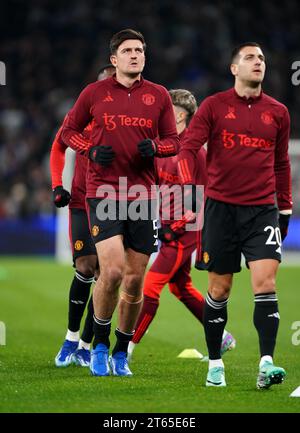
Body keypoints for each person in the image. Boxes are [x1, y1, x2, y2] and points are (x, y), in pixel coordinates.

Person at [60, 29, 179, 377]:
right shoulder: (94, 93)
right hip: (105, 192)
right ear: (114, 59)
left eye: (139, 50)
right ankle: (98, 346)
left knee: (134, 281)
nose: (134, 55)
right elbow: (68, 131)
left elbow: (174, 141)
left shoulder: (158, 96)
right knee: (110, 271)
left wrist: (157, 148)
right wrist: (89, 150)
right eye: (127, 50)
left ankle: (121, 351)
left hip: (142, 196)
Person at [178, 42, 292, 389]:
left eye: (262, 58)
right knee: (219, 288)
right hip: (220, 210)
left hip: (262, 211)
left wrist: (284, 206)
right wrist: (187, 191)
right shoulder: (213, 106)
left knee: (266, 284)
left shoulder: (278, 112)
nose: (258, 62)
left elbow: (282, 163)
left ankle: (266, 363)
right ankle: (215, 364)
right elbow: (187, 148)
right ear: (234, 69)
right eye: (250, 58)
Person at [128, 89, 235, 361]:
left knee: (149, 287)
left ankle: (125, 348)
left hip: (184, 231)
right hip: (167, 227)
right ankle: (222, 336)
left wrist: (172, 228)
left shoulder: (195, 153)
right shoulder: (164, 146)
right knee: (180, 286)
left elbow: (201, 201)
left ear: (178, 115)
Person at [50, 64, 116, 368]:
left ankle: (88, 345)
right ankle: (71, 338)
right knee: (86, 266)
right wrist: (57, 185)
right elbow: (58, 147)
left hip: (114, 201)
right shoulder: (83, 113)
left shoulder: (127, 118)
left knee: (108, 275)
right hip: (80, 201)